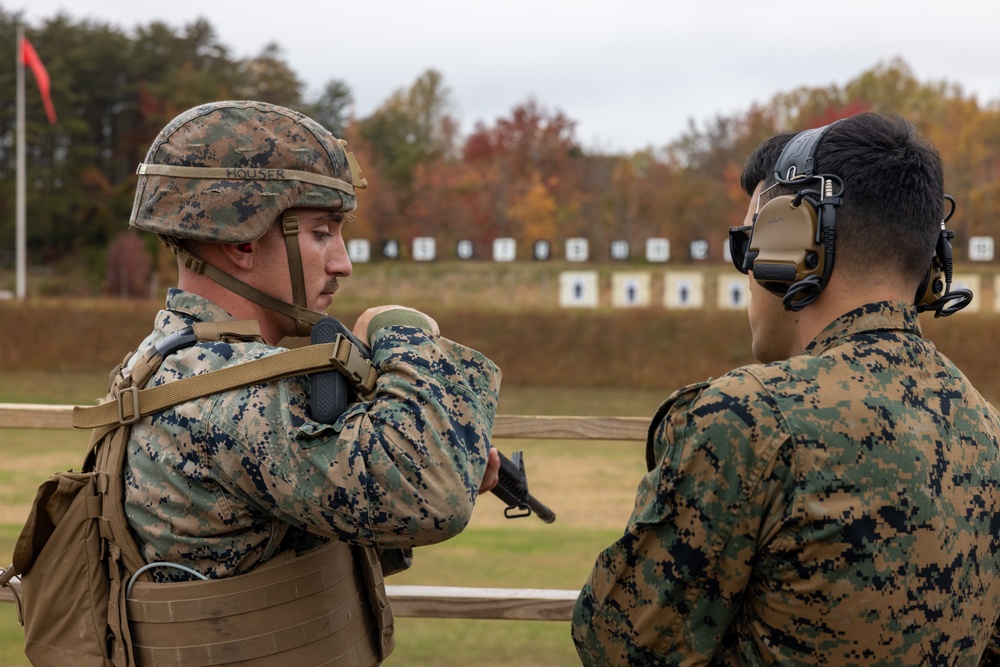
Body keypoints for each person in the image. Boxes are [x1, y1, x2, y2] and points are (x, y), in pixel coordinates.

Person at [572, 112, 1000, 665]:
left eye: (750, 241)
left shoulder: (751, 419)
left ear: (791, 241)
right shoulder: (987, 430)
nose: (747, 269)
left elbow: (618, 645)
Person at [121, 100, 501, 665]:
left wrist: (436, 445)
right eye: (322, 232)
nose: (343, 263)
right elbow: (429, 496)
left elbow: (316, 519)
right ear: (242, 243)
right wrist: (402, 334)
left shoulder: (165, 359)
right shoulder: (236, 396)